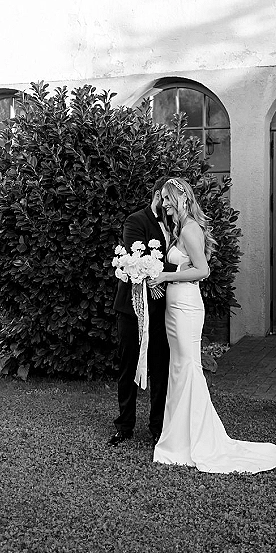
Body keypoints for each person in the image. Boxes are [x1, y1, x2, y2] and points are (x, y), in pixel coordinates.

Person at [149, 177, 276, 473]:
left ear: (181, 199)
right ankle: (177, 438)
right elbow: (188, 261)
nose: (164, 204)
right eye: (162, 200)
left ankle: (195, 440)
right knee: (179, 369)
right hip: (175, 306)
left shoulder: (191, 229)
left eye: (167, 199)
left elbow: (202, 271)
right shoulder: (180, 228)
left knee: (188, 368)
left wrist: (165, 277)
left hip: (187, 306)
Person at [108, 177, 176, 447]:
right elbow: (142, 262)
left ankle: (158, 427)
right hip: (132, 309)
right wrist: (181, 273)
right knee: (128, 367)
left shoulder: (176, 224)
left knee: (161, 368)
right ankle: (124, 426)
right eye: (165, 198)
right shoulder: (135, 221)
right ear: (157, 196)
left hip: (165, 309)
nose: (168, 204)